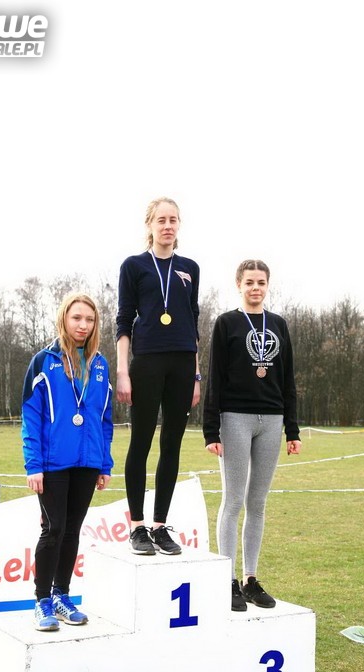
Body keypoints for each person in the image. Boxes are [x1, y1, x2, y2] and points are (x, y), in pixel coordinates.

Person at [203, 259, 301, 611]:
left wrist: (292, 428)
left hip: (271, 419)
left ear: (267, 285)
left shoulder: (278, 324)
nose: (255, 288)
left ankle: (250, 579)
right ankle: (226, 580)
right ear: (239, 285)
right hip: (235, 418)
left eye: (261, 282)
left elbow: (287, 379)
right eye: (249, 282)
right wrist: (210, 430)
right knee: (233, 501)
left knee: (257, 503)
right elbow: (214, 377)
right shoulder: (226, 323)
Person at [21, 292, 113, 631]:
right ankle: (42, 601)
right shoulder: (43, 361)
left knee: (73, 529)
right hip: (53, 462)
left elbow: (105, 418)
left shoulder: (100, 364)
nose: (83, 325)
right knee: (54, 529)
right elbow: (31, 415)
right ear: (64, 319)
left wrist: (104, 463)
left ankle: (62, 595)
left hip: (87, 462)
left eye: (89, 319)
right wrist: (33, 465)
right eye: (77, 318)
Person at [116, 197, 201, 556]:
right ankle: (137, 526)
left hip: (182, 364)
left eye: (173, 220)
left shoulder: (190, 268)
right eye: (161, 220)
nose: (168, 226)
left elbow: (193, 322)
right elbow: (124, 320)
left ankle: (160, 525)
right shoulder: (134, 266)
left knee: (172, 444)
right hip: (146, 362)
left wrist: (196, 374)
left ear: (179, 225)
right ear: (149, 224)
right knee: (141, 441)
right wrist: (123, 370)